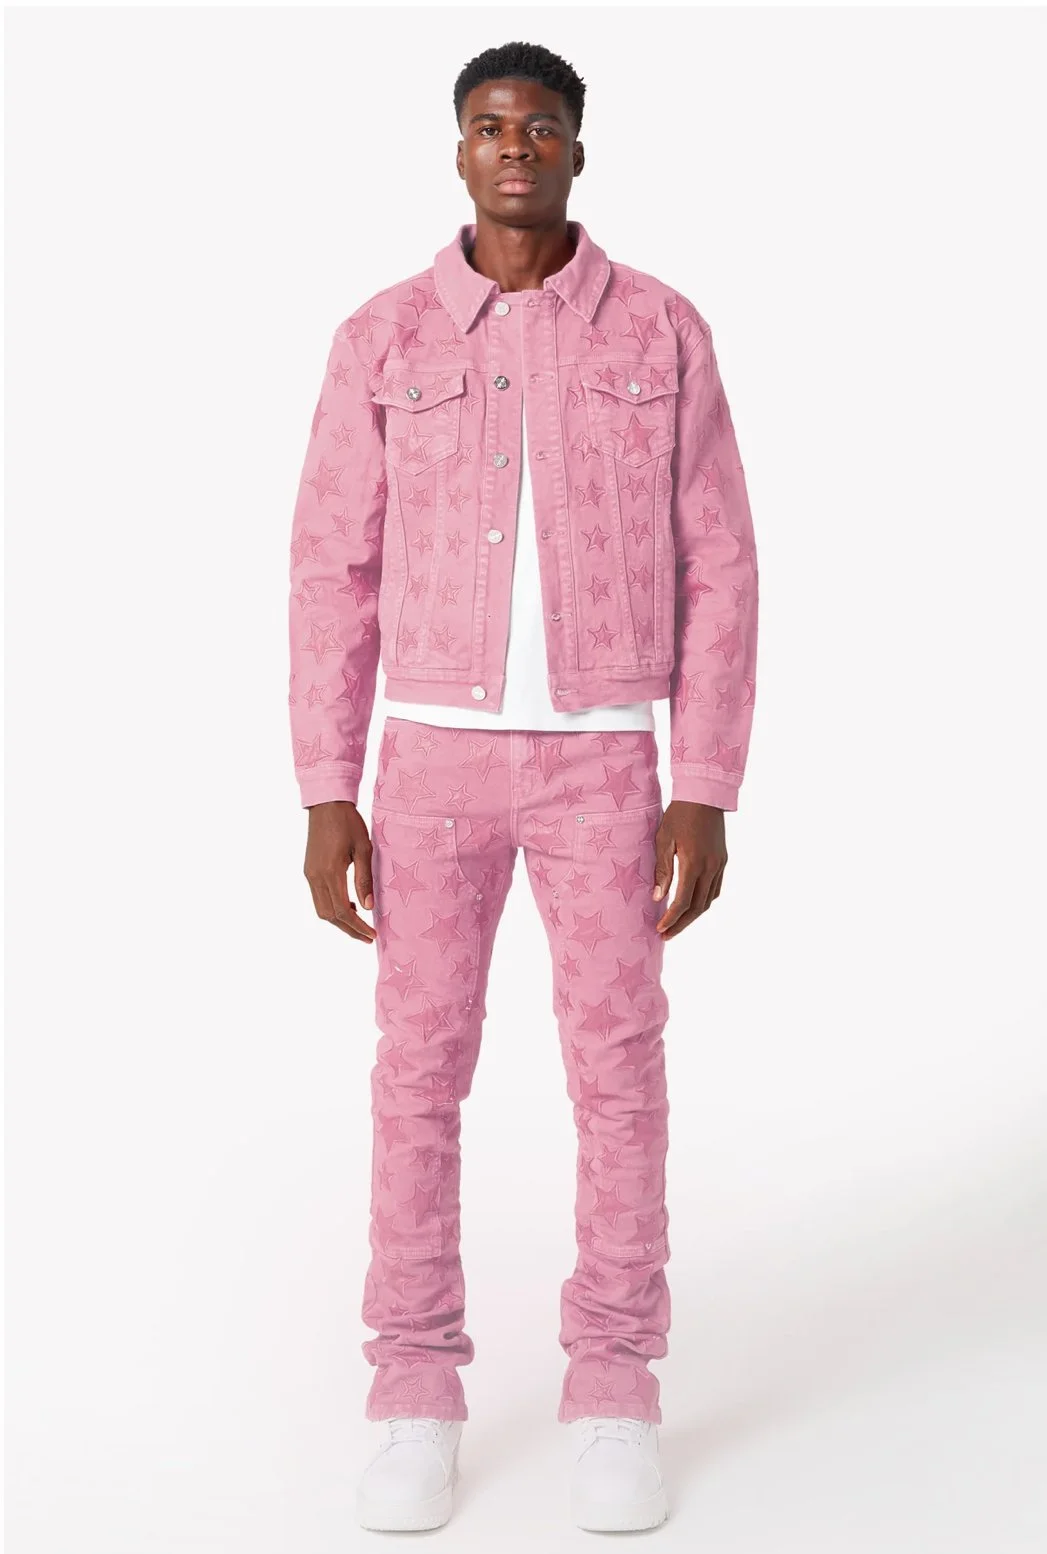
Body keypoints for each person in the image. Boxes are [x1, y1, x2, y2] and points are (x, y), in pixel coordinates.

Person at [287, 39, 758, 1534]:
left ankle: (614, 1390)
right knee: (418, 1074)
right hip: (426, 762)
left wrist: (705, 777)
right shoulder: (383, 337)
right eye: (489, 125)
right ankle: (413, 1395)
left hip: (605, 764)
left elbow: (721, 559)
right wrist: (327, 783)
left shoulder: (662, 328)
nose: (513, 146)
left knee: (617, 1071)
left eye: (539, 126)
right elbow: (331, 564)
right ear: (457, 150)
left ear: (574, 151)